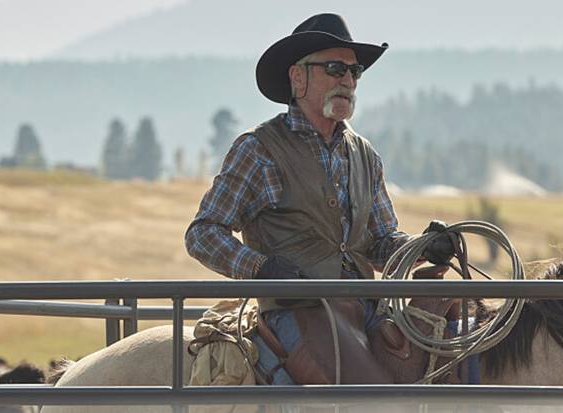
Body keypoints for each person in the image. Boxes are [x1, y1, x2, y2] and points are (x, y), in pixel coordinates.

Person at [184, 13, 454, 385]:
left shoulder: (365, 155)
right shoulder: (258, 149)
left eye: (354, 71)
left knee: (449, 367)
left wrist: (423, 246)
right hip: (297, 313)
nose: (347, 80)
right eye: (334, 68)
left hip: (367, 310)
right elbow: (202, 234)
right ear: (298, 77)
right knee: (372, 398)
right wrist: (261, 269)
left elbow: (380, 243)